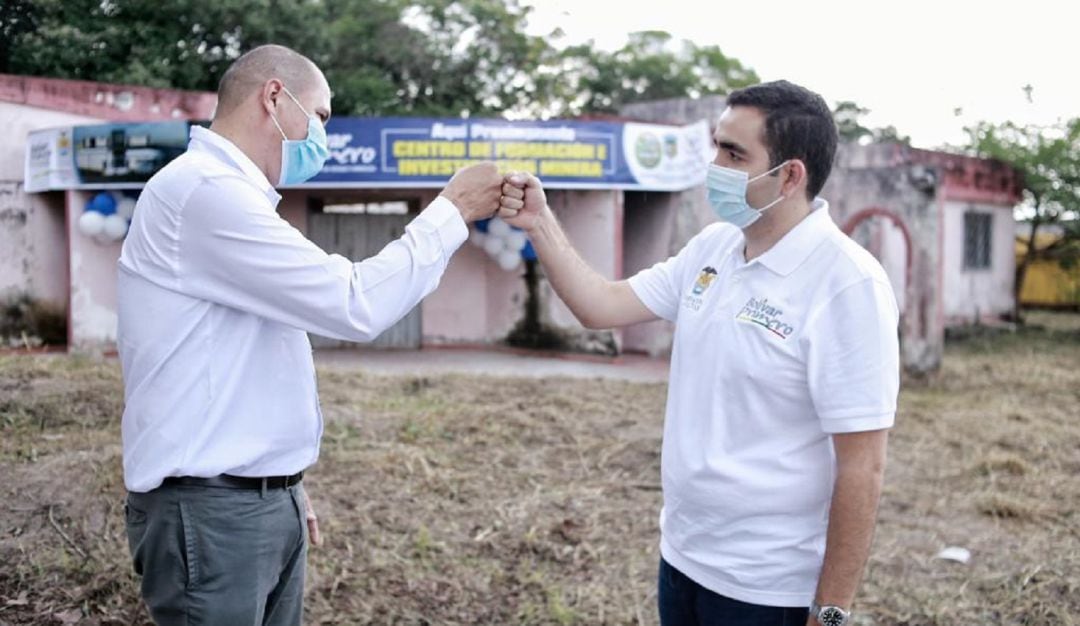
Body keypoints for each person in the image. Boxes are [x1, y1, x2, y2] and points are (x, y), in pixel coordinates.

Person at [117, 44, 503, 625]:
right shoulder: (204, 193)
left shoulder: (234, 198)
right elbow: (353, 303)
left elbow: (248, 360)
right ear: (275, 97)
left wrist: (280, 484)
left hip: (252, 501)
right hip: (211, 511)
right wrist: (451, 211)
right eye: (320, 116)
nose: (324, 134)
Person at [498, 80, 899, 626]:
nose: (715, 164)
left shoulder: (848, 283)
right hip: (683, 557)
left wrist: (830, 613)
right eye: (716, 146)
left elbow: (863, 465)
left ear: (790, 175)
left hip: (766, 588)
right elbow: (601, 304)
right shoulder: (715, 248)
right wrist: (540, 224)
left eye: (734, 153)